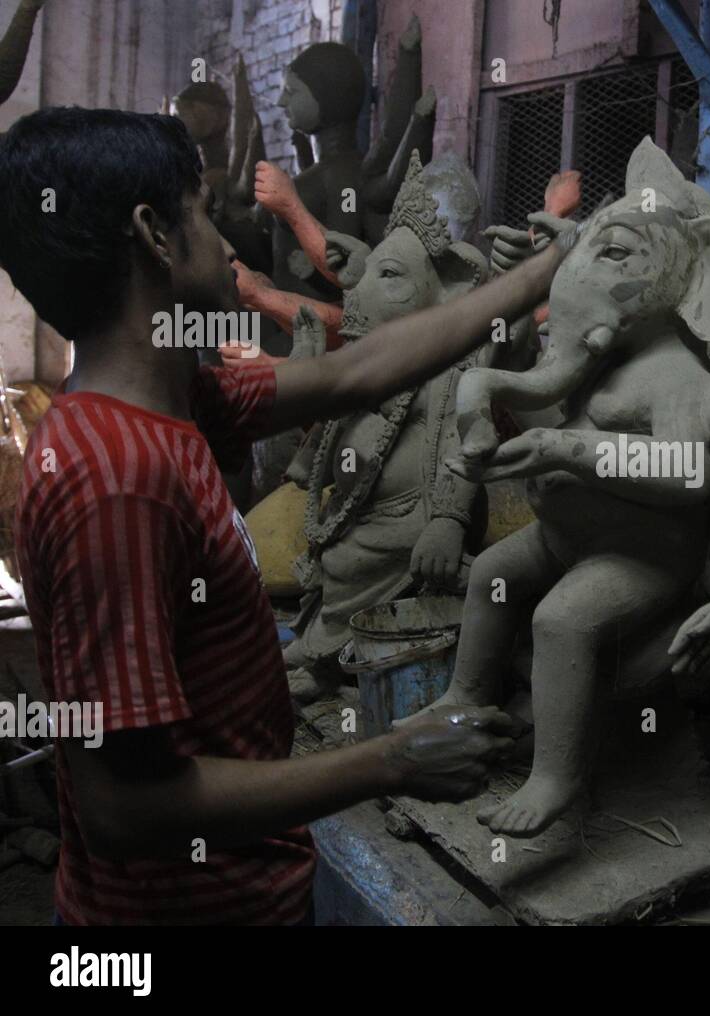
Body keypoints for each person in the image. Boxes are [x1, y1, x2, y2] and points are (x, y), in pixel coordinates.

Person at [0, 107, 567, 925]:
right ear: (153, 234)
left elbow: (359, 373)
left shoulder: (175, 402)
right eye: (202, 210)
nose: (230, 243)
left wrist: (540, 274)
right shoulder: (116, 478)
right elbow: (124, 811)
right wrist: (392, 761)